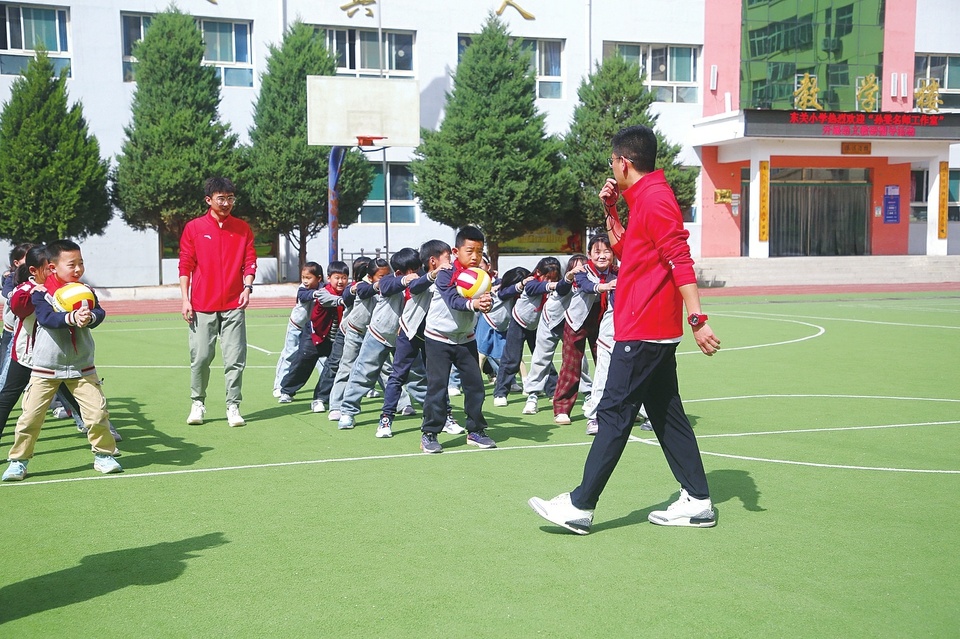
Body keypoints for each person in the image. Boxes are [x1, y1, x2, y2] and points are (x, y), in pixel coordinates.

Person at [528, 125, 722, 533]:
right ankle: (697, 500)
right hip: (649, 328)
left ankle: (580, 505)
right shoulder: (645, 197)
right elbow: (629, 251)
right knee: (666, 414)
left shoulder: (655, 199)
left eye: (612, 161)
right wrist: (611, 210)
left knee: (614, 414)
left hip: (644, 329)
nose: (612, 168)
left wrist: (698, 318)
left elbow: (679, 258)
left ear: (623, 162)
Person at [2, 240, 121, 481]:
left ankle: (104, 455)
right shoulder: (40, 292)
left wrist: (90, 317)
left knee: (97, 414)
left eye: (81, 263)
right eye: (72, 264)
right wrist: (71, 317)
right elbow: (46, 318)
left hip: (82, 366)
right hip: (45, 367)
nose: (78, 269)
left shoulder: (84, 289)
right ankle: (19, 461)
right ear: (53, 267)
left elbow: (99, 311)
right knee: (30, 418)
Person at [179, 177, 257, 428]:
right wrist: (185, 299)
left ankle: (233, 406)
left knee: (235, 358)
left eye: (230, 198)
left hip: (234, 304)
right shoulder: (193, 228)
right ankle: (197, 403)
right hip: (201, 305)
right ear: (208, 200)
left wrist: (247, 288)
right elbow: (185, 265)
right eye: (221, 198)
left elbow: (250, 261)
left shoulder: (242, 228)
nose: (226, 203)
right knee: (201, 357)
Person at [419, 226, 497, 454]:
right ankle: (429, 433)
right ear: (456, 251)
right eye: (469, 251)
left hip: (466, 339)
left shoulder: (481, 275)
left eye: (479, 252)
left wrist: (486, 303)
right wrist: (475, 304)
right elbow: (454, 300)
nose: (475, 256)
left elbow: (484, 299)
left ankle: (476, 431)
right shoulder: (445, 273)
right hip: (438, 338)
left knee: (475, 386)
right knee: (437, 387)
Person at [338, 248, 422, 433]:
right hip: (379, 334)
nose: (416, 273)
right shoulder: (388, 281)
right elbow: (383, 286)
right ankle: (347, 411)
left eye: (418, 268)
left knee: (418, 376)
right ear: (399, 272)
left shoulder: (422, 281)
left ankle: (438, 413)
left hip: (407, 336)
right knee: (363, 373)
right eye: (412, 270)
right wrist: (405, 280)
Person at [552, 238, 615, 425]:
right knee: (571, 365)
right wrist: (603, 287)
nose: (602, 256)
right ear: (589, 255)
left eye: (607, 251)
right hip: (577, 321)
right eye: (597, 252)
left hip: (604, 322)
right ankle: (562, 409)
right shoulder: (582, 271)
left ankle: (613, 407)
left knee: (609, 364)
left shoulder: (618, 272)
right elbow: (586, 286)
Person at [492, 257, 564, 407]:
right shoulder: (531, 282)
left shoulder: (555, 286)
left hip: (539, 324)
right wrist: (553, 285)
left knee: (544, 357)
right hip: (519, 322)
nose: (550, 281)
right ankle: (500, 393)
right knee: (511, 359)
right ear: (538, 272)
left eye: (554, 278)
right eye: (547, 277)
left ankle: (553, 390)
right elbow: (534, 289)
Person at [277, 262, 348, 406]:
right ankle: (287, 390)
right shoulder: (323, 292)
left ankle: (321, 397)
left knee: (333, 367)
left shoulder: (348, 291)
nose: (340, 281)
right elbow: (306, 295)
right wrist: (343, 300)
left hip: (336, 338)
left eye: (344, 278)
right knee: (303, 362)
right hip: (315, 335)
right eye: (337, 278)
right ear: (329, 278)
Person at [273, 262, 324, 398]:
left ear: (319, 278)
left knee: (322, 358)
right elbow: (305, 296)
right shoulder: (303, 289)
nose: (305, 281)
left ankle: (326, 388)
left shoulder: (324, 288)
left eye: (309, 278)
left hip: (313, 329)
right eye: (303, 277)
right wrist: (318, 294)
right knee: (289, 354)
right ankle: (279, 386)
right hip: (297, 327)